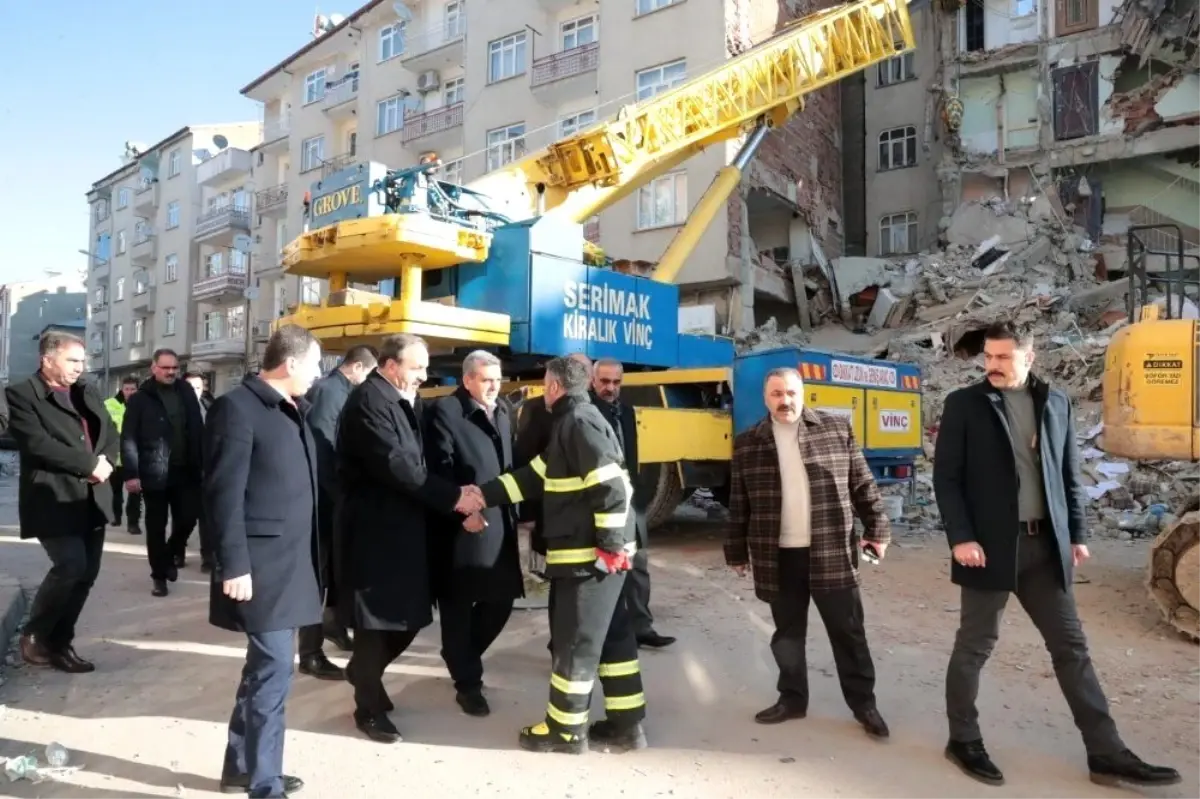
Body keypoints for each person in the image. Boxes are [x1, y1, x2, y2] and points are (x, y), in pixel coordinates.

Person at [933, 321, 1179, 788]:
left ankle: (1106, 753)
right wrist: (960, 538)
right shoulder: (965, 404)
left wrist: (1077, 534)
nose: (993, 366)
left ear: (1029, 357)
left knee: (1071, 649)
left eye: (1003, 358)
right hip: (987, 550)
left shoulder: (1057, 402)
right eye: (988, 357)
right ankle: (963, 740)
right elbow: (946, 478)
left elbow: (1068, 475)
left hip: (1045, 548)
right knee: (975, 647)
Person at [466, 356, 647, 755]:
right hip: (596, 561)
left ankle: (565, 732)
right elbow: (535, 475)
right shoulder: (574, 422)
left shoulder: (579, 422)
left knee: (574, 644)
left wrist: (612, 547)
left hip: (589, 561)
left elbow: (613, 487)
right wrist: (482, 495)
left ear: (553, 387)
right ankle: (626, 725)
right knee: (614, 641)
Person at [724, 367, 891, 738]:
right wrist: (735, 550)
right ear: (766, 399)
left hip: (831, 550)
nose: (785, 401)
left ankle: (865, 705)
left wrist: (877, 529)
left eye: (791, 393)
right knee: (787, 634)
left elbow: (863, 483)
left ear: (804, 394)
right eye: (776, 394)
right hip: (778, 555)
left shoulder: (834, 430)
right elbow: (739, 502)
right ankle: (792, 700)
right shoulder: (749, 442)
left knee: (848, 632)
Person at [335, 333, 480, 744]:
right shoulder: (369, 402)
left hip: (403, 528)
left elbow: (416, 462)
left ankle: (365, 674)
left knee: (410, 617)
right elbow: (398, 465)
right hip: (373, 534)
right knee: (375, 622)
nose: (423, 375)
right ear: (392, 365)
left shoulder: (400, 398)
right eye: (416, 367)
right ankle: (368, 707)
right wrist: (454, 497)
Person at [205, 324, 324, 799]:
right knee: (274, 675)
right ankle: (265, 785)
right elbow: (222, 493)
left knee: (263, 671)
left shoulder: (292, 409)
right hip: (260, 567)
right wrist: (233, 564)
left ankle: (240, 767)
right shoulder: (237, 408)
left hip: (293, 565)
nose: (318, 375)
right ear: (291, 363)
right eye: (314, 365)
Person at [5, 331, 118, 673]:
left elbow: (109, 430)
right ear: (47, 359)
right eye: (72, 360)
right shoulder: (22, 394)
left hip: (92, 497)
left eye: (83, 361)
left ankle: (60, 642)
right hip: (53, 497)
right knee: (70, 565)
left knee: (86, 574)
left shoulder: (87, 391)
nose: (79, 368)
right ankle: (36, 635)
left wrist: (108, 462)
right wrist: (88, 465)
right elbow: (37, 443)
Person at [425, 350, 523, 717]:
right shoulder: (445, 413)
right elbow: (439, 469)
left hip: (499, 521)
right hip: (462, 524)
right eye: (486, 379)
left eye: (497, 379)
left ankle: (459, 655)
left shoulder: (503, 412)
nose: (494, 386)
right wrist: (459, 510)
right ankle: (468, 684)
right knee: (458, 606)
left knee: (501, 600)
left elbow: (509, 465)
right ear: (467, 380)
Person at [297, 344, 378, 681]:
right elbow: (324, 449)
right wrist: (339, 495)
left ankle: (331, 625)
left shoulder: (339, 389)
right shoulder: (332, 392)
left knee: (332, 573)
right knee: (316, 575)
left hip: (333, 497)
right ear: (357, 367)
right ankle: (310, 653)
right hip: (325, 500)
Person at [589, 357, 675, 649]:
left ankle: (641, 628)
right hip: (601, 506)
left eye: (616, 382)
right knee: (603, 570)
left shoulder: (626, 412)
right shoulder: (585, 415)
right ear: (592, 381)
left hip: (630, 504)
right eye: (604, 382)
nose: (610, 388)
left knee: (638, 566)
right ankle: (604, 633)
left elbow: (632, 457)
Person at [122, 348, 205, 597]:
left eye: (174, 368)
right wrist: (131, 473)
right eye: (166, 368)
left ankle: (169, 555)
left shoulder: (186, 392)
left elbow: (198, 429)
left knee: (188, 518)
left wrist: (203, 462)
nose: (171, 372)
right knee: (156, 527)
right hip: (154, 472)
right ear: (154, 368)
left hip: (185, 470)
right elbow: (128, 438)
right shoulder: (140, 399)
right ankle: (159, 576)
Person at [104, 376, 142, 535]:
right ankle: (115, 516)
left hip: (135, 457)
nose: (130, 392)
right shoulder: (109, 404)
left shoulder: (143, 405)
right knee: (115, 491)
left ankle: (133, 523)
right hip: (115, 456)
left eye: (133, 389)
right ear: (121, 389)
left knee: (135, 492)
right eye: (127, 389)